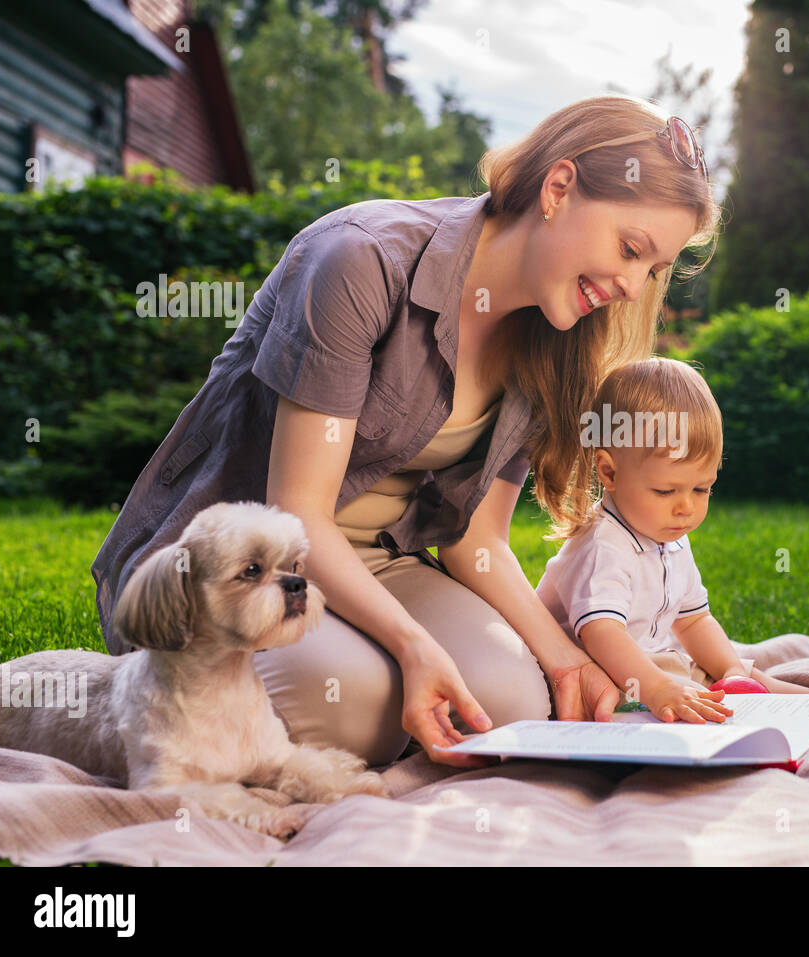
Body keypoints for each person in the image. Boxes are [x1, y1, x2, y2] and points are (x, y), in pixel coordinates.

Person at [89, 95, 722, 767]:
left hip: (383, 563)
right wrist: (414, 646)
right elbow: (297, 512)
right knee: (351, 705)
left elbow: (477, 540)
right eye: (630, 249)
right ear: (558, 187)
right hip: (253, 569)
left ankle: (387, 684)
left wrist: (567, 662)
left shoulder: (554, 338)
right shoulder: (360, 261)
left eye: (652, 269)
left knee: (515, 699)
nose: (631, 284)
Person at [535, 358, 809, 725]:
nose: (686, 508)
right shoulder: (603, 544)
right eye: (666, 490)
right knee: (688, 693)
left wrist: (731, 670)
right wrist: (655, 689)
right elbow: (601, 634)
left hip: (653, 662)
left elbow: (694, 621)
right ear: (609, 472)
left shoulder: (669, 535)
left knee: (746, 677)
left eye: (702, 489)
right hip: (597, 671)